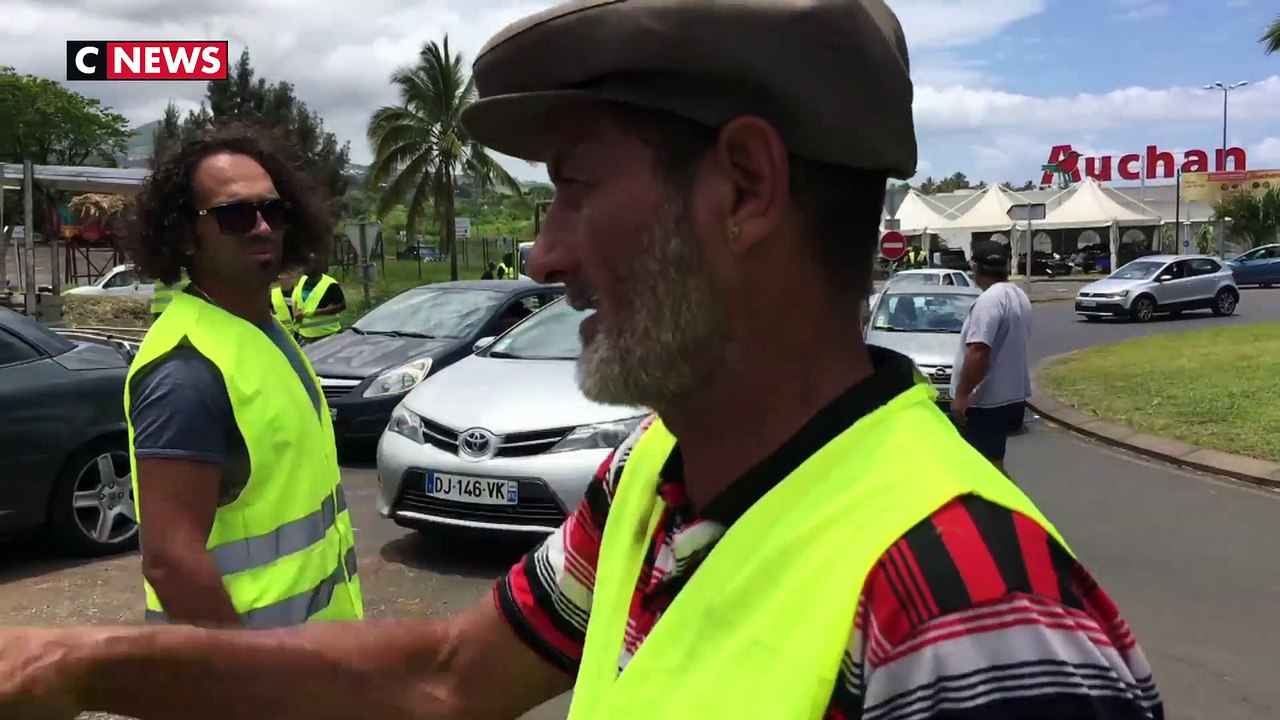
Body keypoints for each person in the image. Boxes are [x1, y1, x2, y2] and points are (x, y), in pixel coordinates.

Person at [0, 3, 1160, 719]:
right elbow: (447, 676)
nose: (542, 254)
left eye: (575, 186)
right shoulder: (652, 484)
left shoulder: (975, 611)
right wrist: (82, 659)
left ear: (744, 189)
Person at [117, 121, 363, 630]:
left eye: (273, 210)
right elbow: (170, 561)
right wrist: (250, 688)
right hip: (250, 684)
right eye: (234, 215)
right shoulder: (186, 372)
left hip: (316, 667)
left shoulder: (265, 328)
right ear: (185, 235)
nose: (262, 227)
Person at [950, 244, 1033, 475]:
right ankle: (1006, 509)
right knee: (992, 467)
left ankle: (1011, 511)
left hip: (986, 402)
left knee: (983, 472)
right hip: (1010, 398)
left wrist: (962, 396)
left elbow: (979, 350)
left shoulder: (988, 301)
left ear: (975, 267)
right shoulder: (1018, 296)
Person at [291, 254, 345, 342]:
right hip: (305, 336)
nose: (305, 267)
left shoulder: (330, 283)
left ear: (317, 265)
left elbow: (341, 305)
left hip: (328, 336)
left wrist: (319, 312)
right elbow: (301, 302)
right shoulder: (302, 280)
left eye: (308, 264)